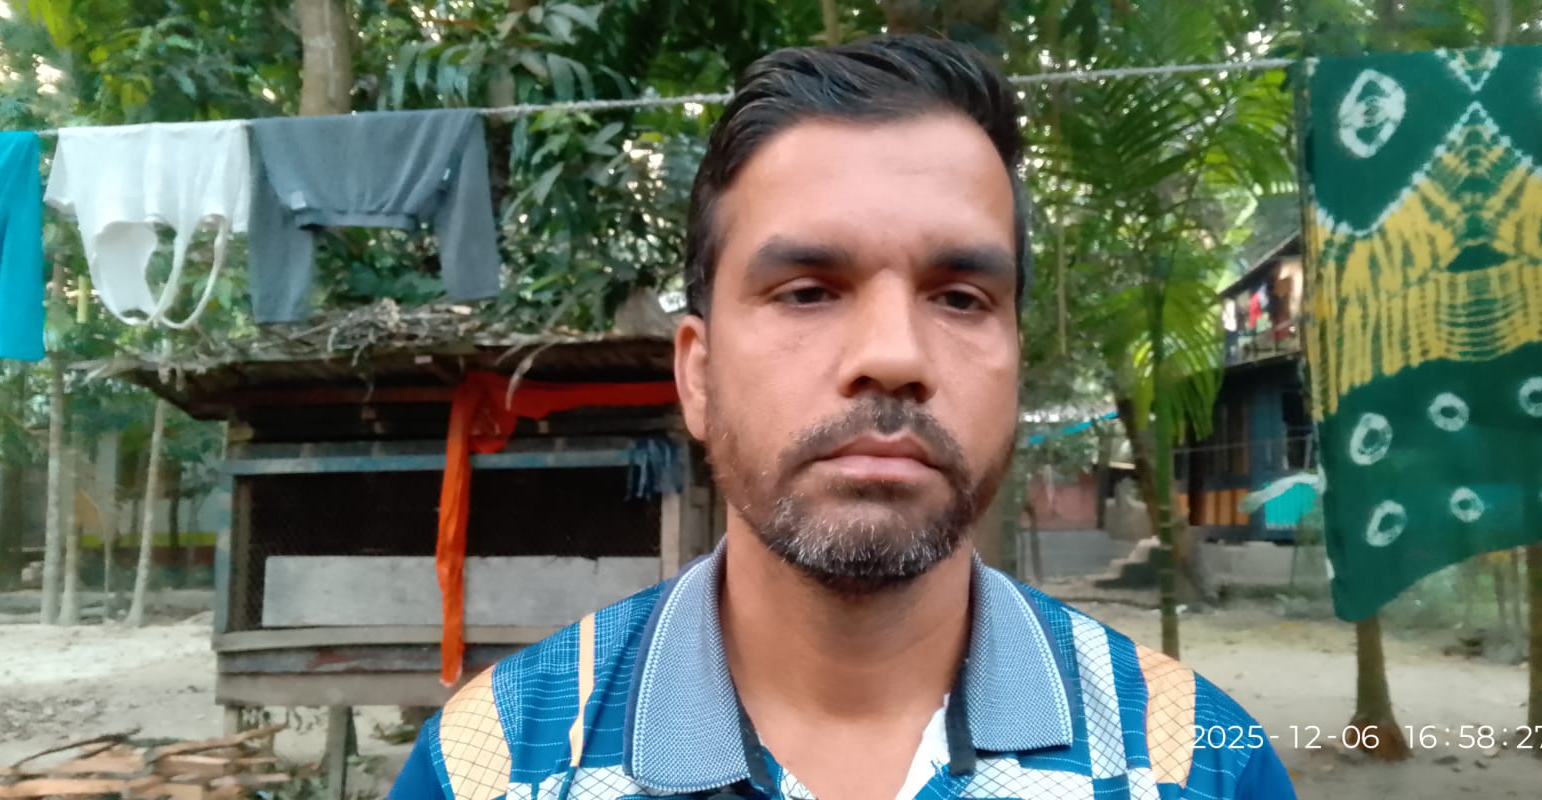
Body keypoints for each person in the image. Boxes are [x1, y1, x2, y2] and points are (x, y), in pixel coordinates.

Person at [389, 34, 1295, 800]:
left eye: (961, 298)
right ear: (697, 375)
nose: (894, 356)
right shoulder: (492, 767)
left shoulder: (1196, 765)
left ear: (1016, 364)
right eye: (808, 291)